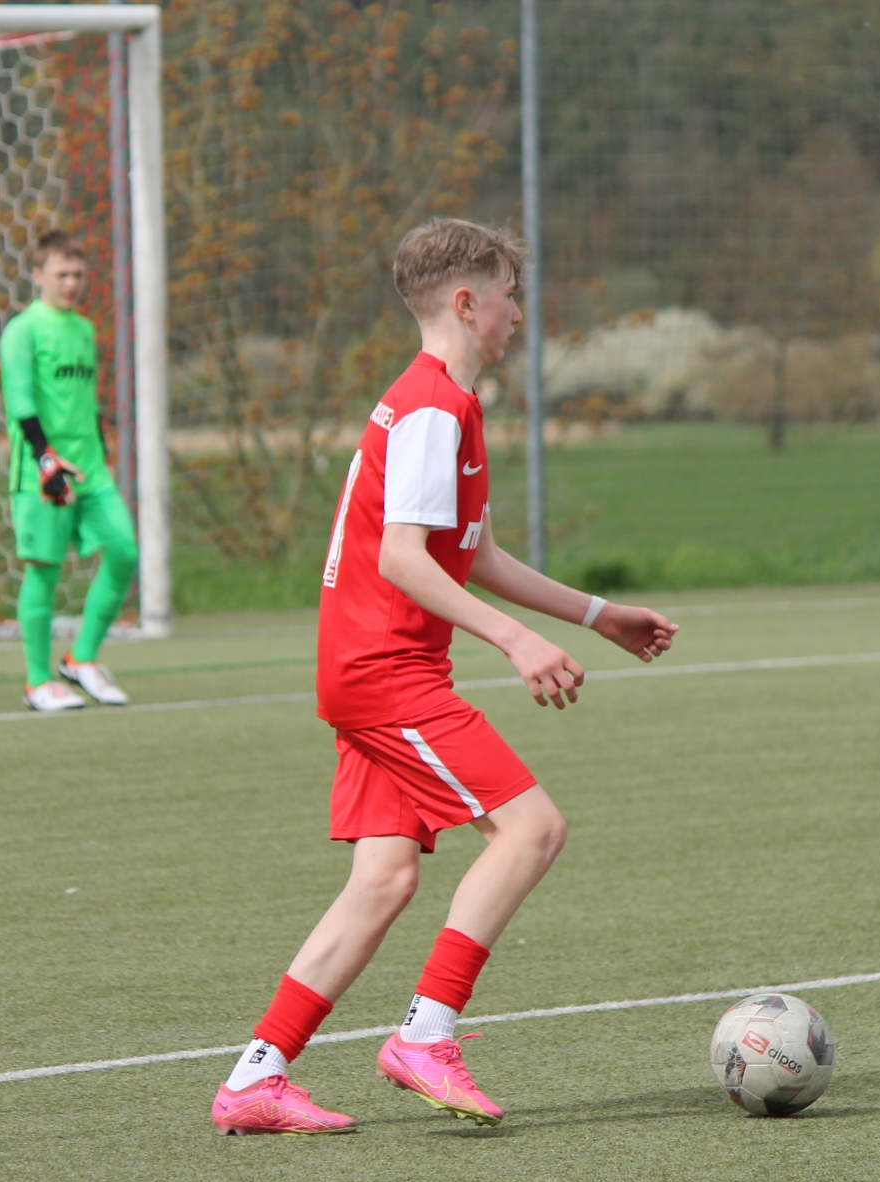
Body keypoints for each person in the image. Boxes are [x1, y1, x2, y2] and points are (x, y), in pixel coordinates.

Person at [211, 218, 679, 1135]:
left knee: (382, 881)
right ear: (466, 302)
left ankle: (254, 1079)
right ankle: (426, 1036)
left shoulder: (445, 406)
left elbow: (477, 555)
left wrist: (596, 614)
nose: (517, 312)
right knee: (533, 829)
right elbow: (404, 560)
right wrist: (515, 642)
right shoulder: (431, 409)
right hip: (387, 670)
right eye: (507, 294)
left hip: (367, 668)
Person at [0, 230, 138, 711]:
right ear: (39, 276)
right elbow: (20, 401)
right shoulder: (23, 330)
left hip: (92, 471)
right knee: (44, 571)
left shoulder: (83, 329)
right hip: (43, 470)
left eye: (78, 275)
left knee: (123, 551)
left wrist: (100, 449)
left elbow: (87, 401)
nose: (71, 283)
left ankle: (81, 659)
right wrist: (45, 459)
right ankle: (38, 681)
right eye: (62, 274)